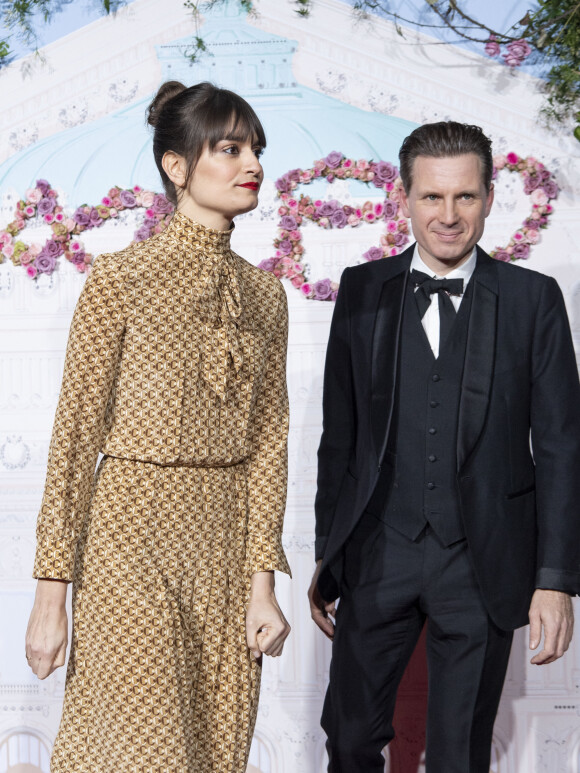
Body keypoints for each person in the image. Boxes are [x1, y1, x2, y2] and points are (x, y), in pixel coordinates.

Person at [25, 80, 291, 773]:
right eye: (230, 148)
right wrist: (51, 597)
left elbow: (268, 442)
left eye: (255, 149)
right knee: (145, 753)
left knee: (212, 750)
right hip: (129, 538)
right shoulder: (120, 278)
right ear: (177, 166)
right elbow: (75, 436)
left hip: (226, 546)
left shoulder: (265, 294)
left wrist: (263, 584)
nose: (251, 163)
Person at [308, 121, 580, 772]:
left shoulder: (532, 299)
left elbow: (563, 447)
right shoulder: (362, 292)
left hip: (480, 562)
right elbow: (338, 440)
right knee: (349, 740)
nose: (448, 215)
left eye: (464, 197)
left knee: (458, 755)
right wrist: (329, 559)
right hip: (378, 554)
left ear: (489, 198)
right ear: (403, 198)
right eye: (432, 197)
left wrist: (555, 581)